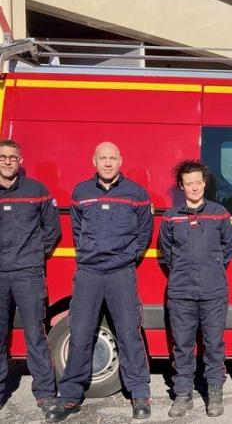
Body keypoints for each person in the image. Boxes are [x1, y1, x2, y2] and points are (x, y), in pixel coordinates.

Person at [46, 142, 153, 423]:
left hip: (121, 273)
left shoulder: (136, 193)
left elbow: (144, 233)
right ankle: (70, 395)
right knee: (80, 332)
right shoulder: (81, 192)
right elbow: (77, 229)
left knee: (130, 332)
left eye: (112, 158)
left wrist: (127, 257)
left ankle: (139, 393)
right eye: (102, 158)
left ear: (120, 161)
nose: (107, 163)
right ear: (94, 161)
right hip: (90, 273)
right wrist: (90, 255)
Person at [158, 160, 232, 418]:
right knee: (182, 345)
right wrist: (182, 271)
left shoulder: (220, 213)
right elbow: (166, 253)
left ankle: (214, 393)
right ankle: (183, 394)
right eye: (188, 183)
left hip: (214, 291)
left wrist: (212, 268)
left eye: (197, 183)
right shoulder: (171, 217)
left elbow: (227, 249)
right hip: (181, 292)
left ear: (204, 183)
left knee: (214, 344)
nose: (194, 188)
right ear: (182, 186)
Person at [0, 139, 61, 412]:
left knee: (35, 333)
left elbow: (52, 228)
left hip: (28, 273)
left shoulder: (37, 191)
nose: (8, 161)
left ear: (20, 161)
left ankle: (46, 394)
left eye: (13, 157)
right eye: (3, 157)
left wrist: (35, 254)